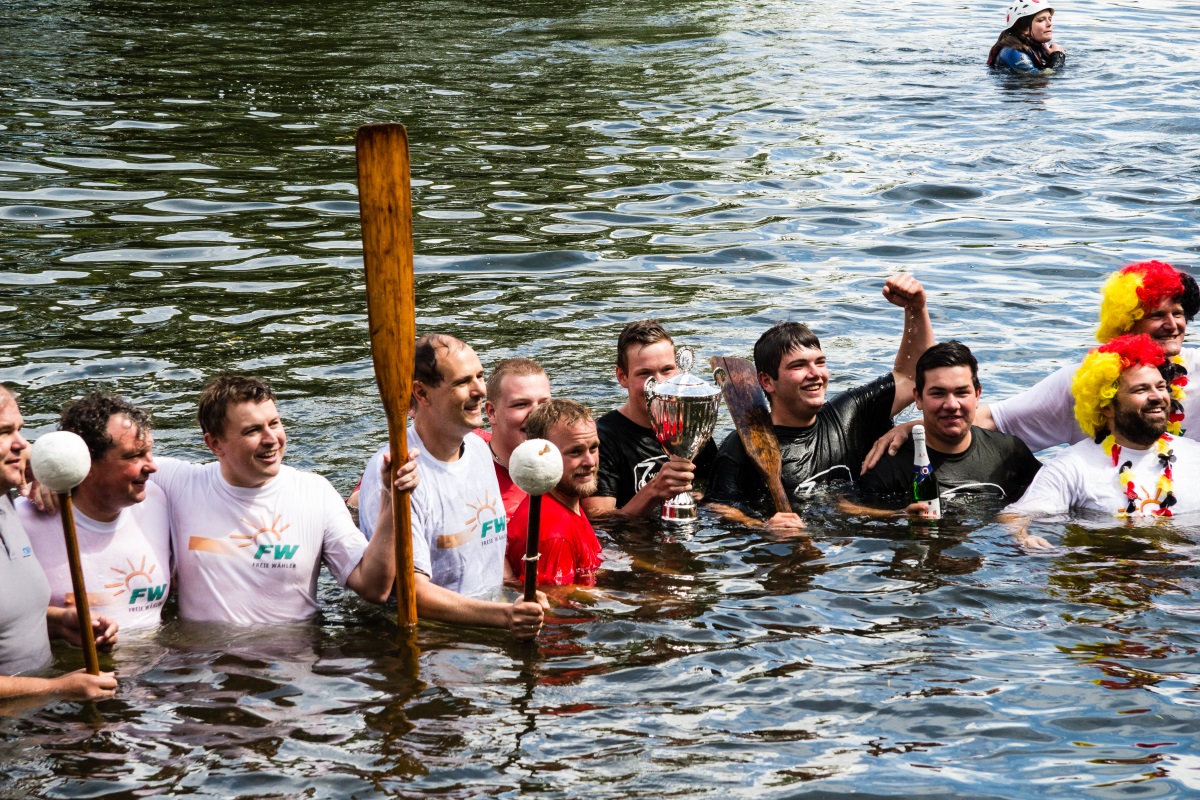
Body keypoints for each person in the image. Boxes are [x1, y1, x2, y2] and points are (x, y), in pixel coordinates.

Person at [865, 261, 1200, 467]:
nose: (1173, 325)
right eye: (1157, 315)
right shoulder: (1083, 382)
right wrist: (915, 427)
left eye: (1179, 313)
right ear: (1126, 322)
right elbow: (995, 420)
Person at [152, 374, 411, 625]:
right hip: (208, 664)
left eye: (274, 423)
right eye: (253, 430)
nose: (271, 439)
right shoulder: (179, 482)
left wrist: (391, 498)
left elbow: (373, 587)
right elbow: (116, 461)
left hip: (290, 659)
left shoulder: (315, 492)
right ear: (215, 444)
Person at [357, 335, 547, 639]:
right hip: (433, 641)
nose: (480, 390)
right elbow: (411, 592)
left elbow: (488, 550)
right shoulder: (398, 470)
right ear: (422, 393)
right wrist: (503, 616)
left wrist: (517, 598)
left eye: (480, 376)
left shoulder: (479, 449)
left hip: (489, 626)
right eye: (463, 382)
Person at [706, 274, 934, 525]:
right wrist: (762, 527)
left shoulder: (850, 415)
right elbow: (718, 508)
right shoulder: (742, 445)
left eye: (820, 362)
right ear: (767, 381)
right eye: (799, 366)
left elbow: (911, 376)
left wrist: (916, 309)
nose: (816, 374)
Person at [1003, 334, 1200, 548]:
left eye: (1160, 387)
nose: (1157, 397)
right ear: (1107, 406)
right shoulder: (1072, 467)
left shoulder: (1195, 456)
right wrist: (1025, 538)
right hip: (1106, 572)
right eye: (1141, 390)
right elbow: (1013, 517)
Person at [0, 386, 118, 701]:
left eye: (20, 429)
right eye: (4, 432)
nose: (21, 443)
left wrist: (57, 622)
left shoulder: (5, 500)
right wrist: (57, 688)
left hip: (32, 731)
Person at [18, 392, 170, 631]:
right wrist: (57, 621)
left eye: (149, 451)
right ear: (86, 463)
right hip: (70, 665)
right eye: (134, 456)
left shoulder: (159, 501)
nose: (152, 466)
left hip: (157, 663)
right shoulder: (21, 521)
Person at [849, 341, 1042, 516]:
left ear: (977, 394)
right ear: (918, 398)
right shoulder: (889, 467)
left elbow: (1049, 498)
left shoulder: (1008, 452)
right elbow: (846, 509)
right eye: (938, 393)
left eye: (961, 392)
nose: (951, 404)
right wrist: (899, 515)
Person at [583, 320, 717, 520]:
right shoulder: (602, 439)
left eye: (667, 370)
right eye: (645, 373)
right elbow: (598, 521)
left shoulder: (693, 430)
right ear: (622, 376)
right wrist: (654, 490)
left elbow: (716, 495)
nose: (659, 384)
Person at [506, 400, 603, 587]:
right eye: (575, 452)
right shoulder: (554, 533)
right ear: (542, 456)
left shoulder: (565, 500)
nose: (590, 461)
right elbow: (554, 603)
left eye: (593, 448)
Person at [987, 0, 1065, 73]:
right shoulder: (1014, 52)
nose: (1049, 24)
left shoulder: (1037, 47)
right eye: (1041, 20)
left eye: (1050, 19)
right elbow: (1038, 79)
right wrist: (1057, 57)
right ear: (1024, 27)